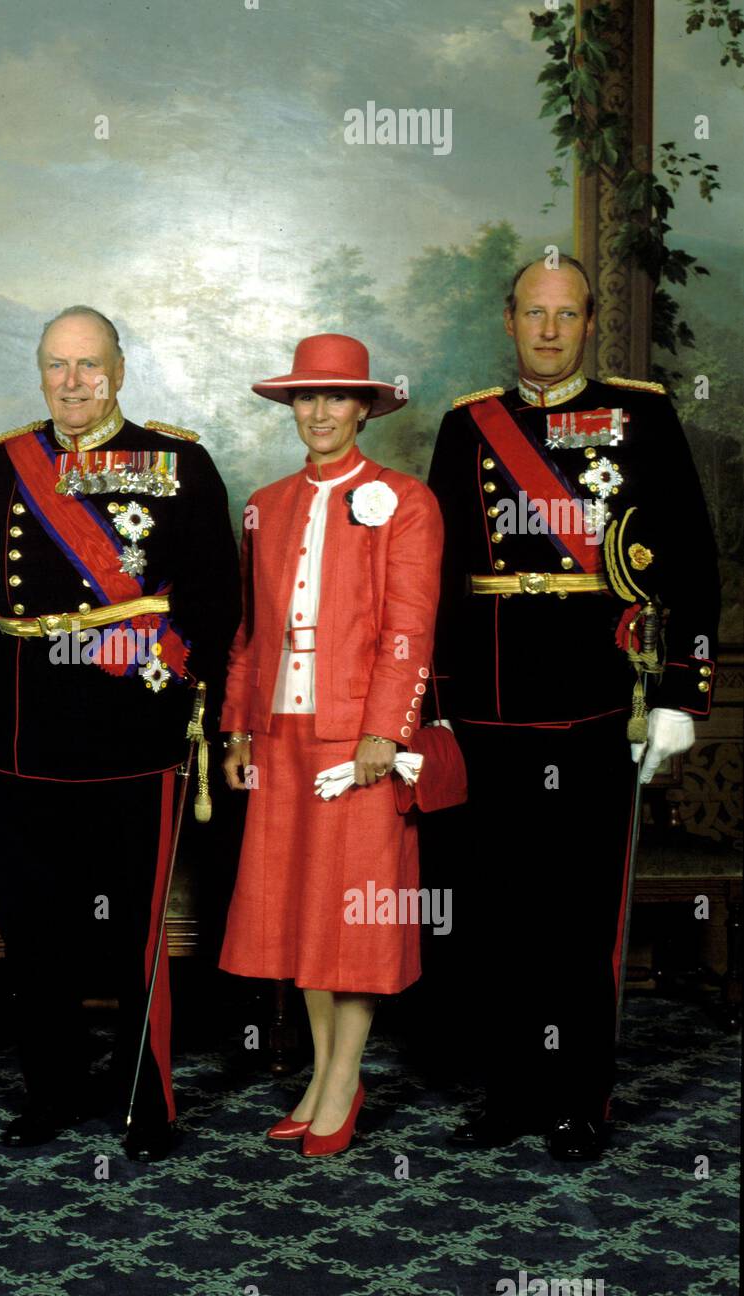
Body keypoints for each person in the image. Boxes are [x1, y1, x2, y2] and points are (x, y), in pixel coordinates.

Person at [426, 255, 720, 1161]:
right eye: (532, 313)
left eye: (566, 314)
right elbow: (433, 580)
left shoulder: (643, 414)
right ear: (507, 320)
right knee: (496, 914)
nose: (548, 330)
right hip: (488, 704)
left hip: (599, 700)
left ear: (588, 322)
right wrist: (434, 707)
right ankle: (512, 1091)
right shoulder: (465, 424)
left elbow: (692, 565)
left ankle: (578, 1100)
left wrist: (679, 692)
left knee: (581, 919)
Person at [0, 305, 240, 1161]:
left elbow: (213, 599)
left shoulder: (179, 462)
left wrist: (185, 692)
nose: (73, 382)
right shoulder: (5, 462)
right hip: (26, 738)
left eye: (89, 365)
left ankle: (145, 1101)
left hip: (135, 733)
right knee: (34, 929)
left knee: (136, 933)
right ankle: (49, 1090)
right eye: (57, 365)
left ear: (118, 370)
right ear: (40, 372)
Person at [219, 333, 443, 1156]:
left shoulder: (406, 500)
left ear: (364, 408)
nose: (318, 411)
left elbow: (408, 630)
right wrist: (238, 726)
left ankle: (343, 1082)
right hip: (282, 736)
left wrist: (386, 729)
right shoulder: (265, 503)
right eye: (304, 397)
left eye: (335, 397)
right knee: (302, 914)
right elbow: (248, 630)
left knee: (352, 915)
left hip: (358, 740)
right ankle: (320, 1074)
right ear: (292, 408)